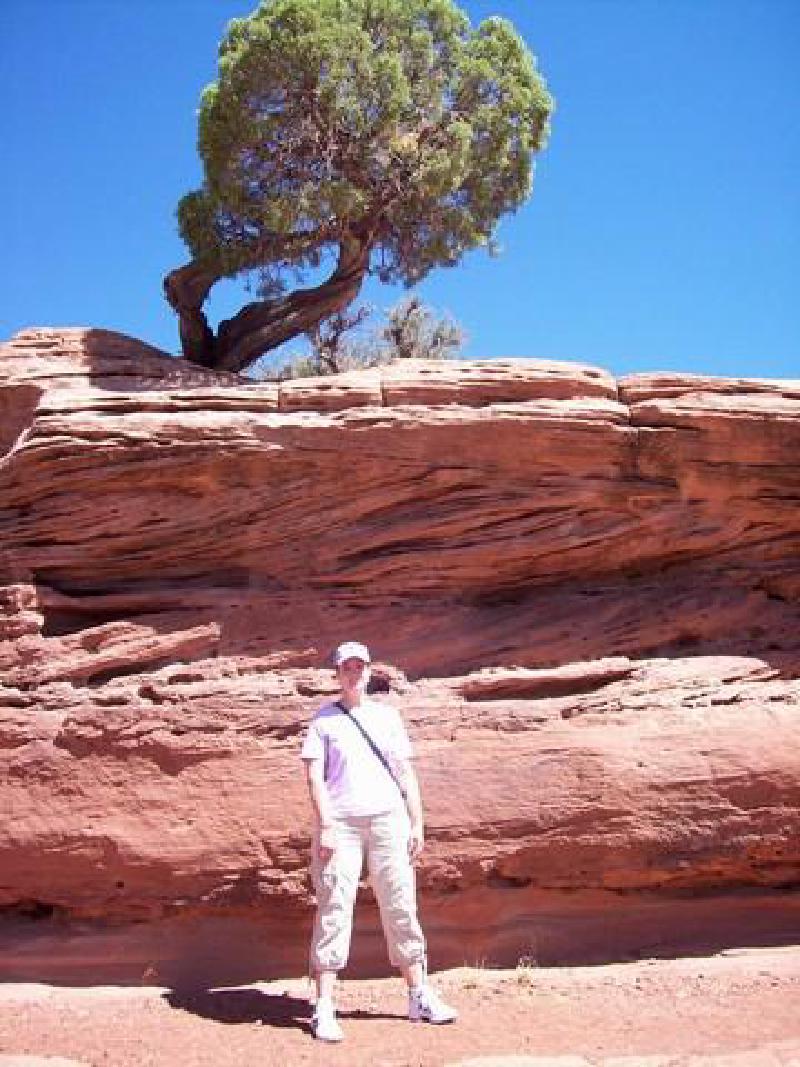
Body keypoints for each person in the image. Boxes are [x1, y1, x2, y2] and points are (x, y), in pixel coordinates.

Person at [301, 640, 458, 1042]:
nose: (354, 673)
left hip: (389, 821)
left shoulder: (388, 718)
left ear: (370, 671)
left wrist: (417, 823)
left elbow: (406, 775)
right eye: (346, 667)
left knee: (401, 903)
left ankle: (418, 994)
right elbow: (314, 779)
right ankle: (323, 1007)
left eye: (360, 666)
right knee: (335, 907)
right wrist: (327, 825)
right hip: (342, 825)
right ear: (337, 674)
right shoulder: (323, 722)